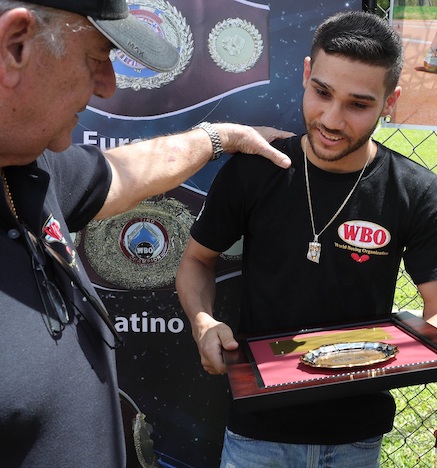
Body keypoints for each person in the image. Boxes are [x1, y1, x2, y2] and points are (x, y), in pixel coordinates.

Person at [0, 1, 293, 466]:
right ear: (16, 45)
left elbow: (121, 172)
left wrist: (219, 138)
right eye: (97, 58)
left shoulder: (27, 169)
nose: (109, 86)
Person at [176, 10, 437, 467]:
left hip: (356, 435)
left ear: (390, 101)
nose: (331, 119)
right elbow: (196, 261)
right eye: (322, 93)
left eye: (358, 104)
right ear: (307, 75)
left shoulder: (414, 190)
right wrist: (204, 322)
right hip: (257, 429)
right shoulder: (256, 171)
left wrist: (396, 353)